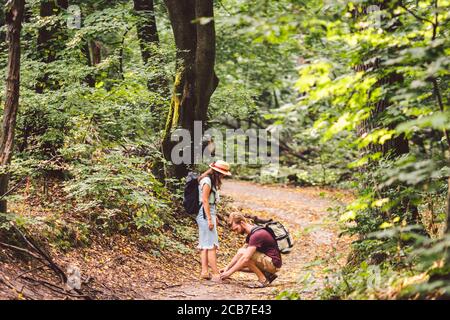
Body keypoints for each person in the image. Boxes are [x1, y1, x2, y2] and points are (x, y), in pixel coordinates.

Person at [220, 213, 282, 288]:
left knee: (245, 256)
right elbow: (239, 254)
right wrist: (227, 268)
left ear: (242, 223)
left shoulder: (256, 235)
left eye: (236, 229)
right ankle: (268, 274)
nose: (237, 232)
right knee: (241, 255)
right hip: (268, 261)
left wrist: (229, 273)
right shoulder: (251, 234)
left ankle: (263, 280)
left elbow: (245, 257)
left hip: (273, 264)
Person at [196, 160, 232, 282]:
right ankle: (216, 274)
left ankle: (205, 272)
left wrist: (213, 215)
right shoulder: (207, 181)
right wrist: (209, 219)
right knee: (211, 245)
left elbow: (210, 202)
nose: (223, 176)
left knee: (205, 244)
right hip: (205, 214)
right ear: (217, 172)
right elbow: (205, 200)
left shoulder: (210, 180)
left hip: (208, 212)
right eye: (222, 174)